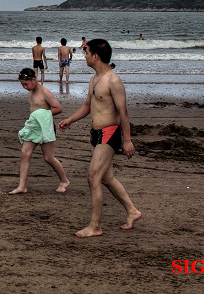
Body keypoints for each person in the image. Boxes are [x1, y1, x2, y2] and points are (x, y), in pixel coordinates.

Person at [58, 38, 141, 237]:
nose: (84, 56)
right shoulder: (95, 79)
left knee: (93, 176)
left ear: (96, 56)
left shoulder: (113, 80)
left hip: (110, 133)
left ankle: (95, 226)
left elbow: (124, 113)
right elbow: (88, 106)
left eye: (86, 53)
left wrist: (127, 140)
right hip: (96, 134)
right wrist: (70, 119)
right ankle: (132, 210)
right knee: (107, 177)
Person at [9, 68, 69, 194]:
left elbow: (58, 108)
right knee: (25, 154)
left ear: (34, 79)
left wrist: (42, 115)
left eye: (26, 84)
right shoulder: (30, 92)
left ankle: (64, 180)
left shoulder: (44, 92)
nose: (25, 87)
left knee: (48, 157)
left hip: (45, 127)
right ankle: (22, 186)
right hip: (33, 127)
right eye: (22, 84)